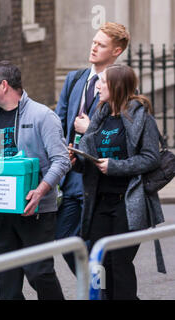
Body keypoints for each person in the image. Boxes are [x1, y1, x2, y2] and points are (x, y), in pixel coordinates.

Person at [0, 61, 71, 300]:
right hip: (0, 213)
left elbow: (61, 160)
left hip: (35, 211)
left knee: (40, 273)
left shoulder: (42, 116)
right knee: (6, 281)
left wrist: (40, 191)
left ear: (4, 85)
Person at [71, 64, 165, 300]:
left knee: (120, 262)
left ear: (117, 86)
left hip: (127, 201)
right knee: (101, 262)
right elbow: (90, 158)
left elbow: (151, 158)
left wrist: (115, 166)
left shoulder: (142, 118)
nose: (98, 86)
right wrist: (77, 160)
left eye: (103, 82)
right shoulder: (99, 118)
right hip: (100, 201)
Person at [54, 22, 130, 273]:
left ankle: (100, 291)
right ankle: (94, 289)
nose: (94, 47)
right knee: (65, 239)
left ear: (116, 51)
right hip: (70, 176)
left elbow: (121, 135)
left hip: (96, 180)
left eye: (101, 45)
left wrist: (90, 132)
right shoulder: (75, 78)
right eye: (94, 41)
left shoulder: (120, 86)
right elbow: (59, 122)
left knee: (93, 244)